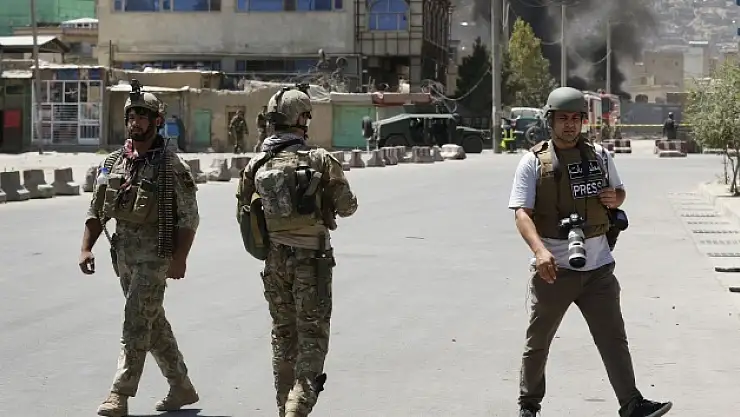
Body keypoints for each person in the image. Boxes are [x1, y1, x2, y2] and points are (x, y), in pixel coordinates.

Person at [507, 86, 672, 417]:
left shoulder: (599, 156)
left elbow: (619, 192)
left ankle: (631, 403)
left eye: (575, 118)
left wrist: (615, 197)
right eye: (563, 118)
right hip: (554, 270)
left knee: (613, 339)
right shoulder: (532, 162)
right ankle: (528, 406)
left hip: (598, 268)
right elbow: (522, 213)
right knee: (538, 341)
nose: (570, 125)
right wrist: (540, 251)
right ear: (550, 120)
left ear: (583, 121)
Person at [78, 79, 200, 417]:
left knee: (135, 321)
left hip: (155, 257)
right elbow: (97, 209)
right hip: (124, 257)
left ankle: (119, 394)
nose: (136, 122)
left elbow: (189, 217)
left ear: (157, 121)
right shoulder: (114, 162)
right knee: (151, 321)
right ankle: (181, 386)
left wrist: (179, 258)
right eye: (132, 116)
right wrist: (86, 248)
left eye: (143, 116)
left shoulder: (171, 166)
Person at [235, 87, 358, 417]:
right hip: (312, 261)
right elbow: (348, 206)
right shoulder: (318, 159)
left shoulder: (256, 164)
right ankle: (298, 405)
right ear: (301, 119)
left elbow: (244, 214)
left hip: (274, 262)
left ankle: (283, 406)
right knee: (312, 337)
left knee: (283, 337)